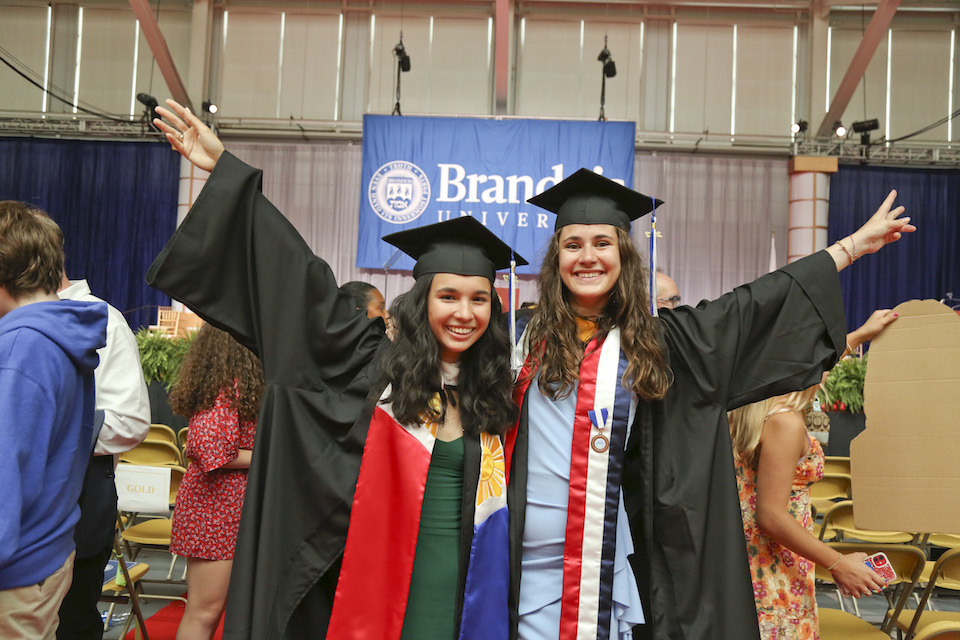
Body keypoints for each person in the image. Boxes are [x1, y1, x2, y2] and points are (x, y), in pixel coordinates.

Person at [145, 99, 524, 639]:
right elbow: (305, 285)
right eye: (449, 296)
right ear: (422, 302)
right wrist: (229, 173)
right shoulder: (377, 366)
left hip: (469, 580)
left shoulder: (495, 391)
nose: (464, 313)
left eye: (479, 299)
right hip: (385, 579)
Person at [508, 169, 914, 640]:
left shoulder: (659, 343)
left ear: (624, 254)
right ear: (556, 257)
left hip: (618, 553)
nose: (588, 256)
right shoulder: (522, 343)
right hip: (530, 553)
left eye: (603, 242)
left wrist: (852, 247)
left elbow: (750, 307)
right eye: (573, 245)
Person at [729, 309, 898, 640]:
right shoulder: (786, 422)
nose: (832, 364)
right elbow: (771, 515)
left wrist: (861, 334)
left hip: (756, 562)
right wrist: (838, 563)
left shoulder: (751, 402)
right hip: (775, 567)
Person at [0, 201, 107, 640]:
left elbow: (7, 474)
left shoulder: (23, 347)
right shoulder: (60, 335)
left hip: (17, 568)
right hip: (47, 548)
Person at [48, 230, 151, 640]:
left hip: (77, 504)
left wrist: (42, 429)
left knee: (70, 621)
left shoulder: (100, 317)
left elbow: (129, 422)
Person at [168, 324, 264, 640]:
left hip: (234, 506)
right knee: (205, 611)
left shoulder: (242, 385)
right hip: (216, 509)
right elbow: (212, 452)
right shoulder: (226, 386)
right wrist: (274, 453)